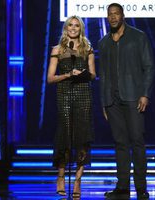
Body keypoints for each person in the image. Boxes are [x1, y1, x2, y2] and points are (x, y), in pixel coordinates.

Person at [98, 3, 155, 200]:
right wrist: (104, 102)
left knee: (137, 142)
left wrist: (145, 94)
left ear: (123, 15)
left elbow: (149, 67)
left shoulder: (138, 37)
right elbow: (103, 75)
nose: (113, 17)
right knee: (120, 143)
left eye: (116, 14)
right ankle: (122, 187)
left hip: (133, 98)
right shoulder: (104, 42)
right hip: (112, 102)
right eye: (110, 14)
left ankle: (141, 188)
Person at [47, 15, 96, 198]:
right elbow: (50, 78)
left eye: (77, 25)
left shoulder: (87, 48)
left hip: (84, 93)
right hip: (65, 94)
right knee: (65, 134)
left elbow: (93, 75)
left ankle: (77, 181)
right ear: (66, 28)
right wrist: (68, 74)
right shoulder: (57, 49)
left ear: (81, 28)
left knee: (82, 136)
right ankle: (60, 177)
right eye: (70, 25)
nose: (73, 28)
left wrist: (82, 74)